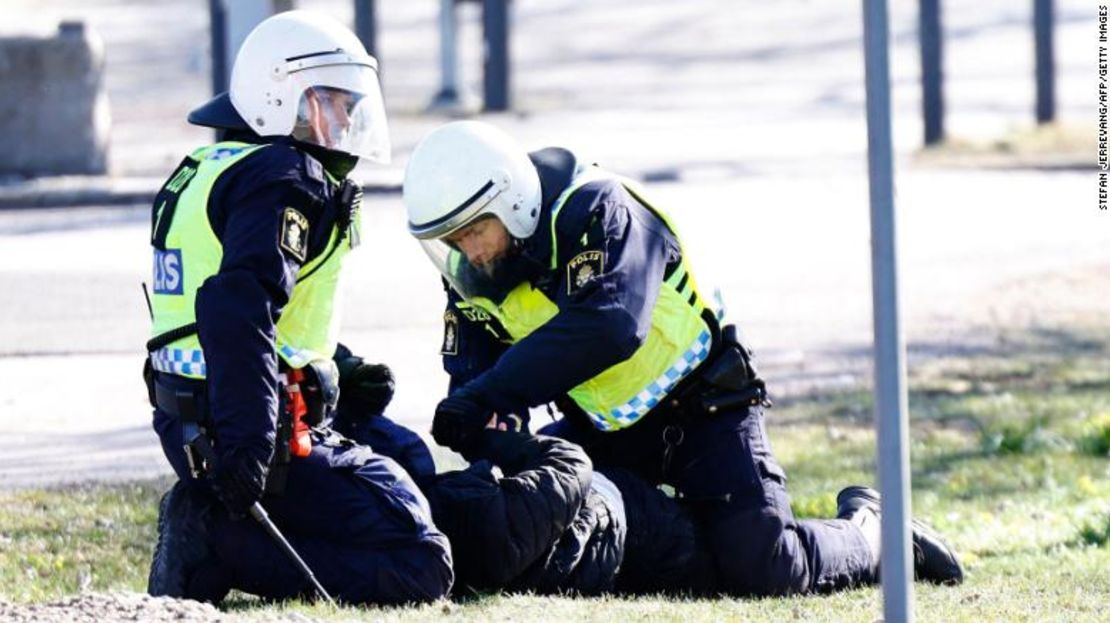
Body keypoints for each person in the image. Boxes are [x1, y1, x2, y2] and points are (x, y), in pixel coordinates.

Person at [400, 120, 963, 597]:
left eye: (475, 231)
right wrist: (488, 428)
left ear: (512, 201)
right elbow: (473, 382)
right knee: (637, 550)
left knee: (767, 569)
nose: (468, 252)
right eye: (453, 242)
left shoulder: (598, 207)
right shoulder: (476, 275)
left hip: (708, 407)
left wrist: (492, 396)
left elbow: (610, 324)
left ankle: (877, 529)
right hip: (608, 428)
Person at [144, 11, 451, 605]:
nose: (348, 120)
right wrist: (250, 450)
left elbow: (241, 308)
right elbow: (237, 308)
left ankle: (210, 537)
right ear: (288, 99)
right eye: (337, 103)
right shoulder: (287, 178)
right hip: (256, 434)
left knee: (408, 458)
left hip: (201, 422)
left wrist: (336, 367)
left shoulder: (217, 169)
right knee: (421, 560)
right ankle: (214, 536)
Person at [329, 358, 714, 596]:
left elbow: (406, 456)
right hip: (622, 515)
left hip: (591, 533)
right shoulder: (482, 516)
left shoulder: (418, 533)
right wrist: (501, 443)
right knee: (712, 559)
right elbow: (570, 464)